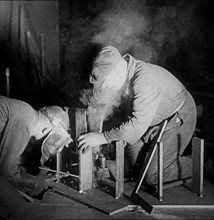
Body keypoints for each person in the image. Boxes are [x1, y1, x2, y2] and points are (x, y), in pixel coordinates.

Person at [77, 46, 197, 186]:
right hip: (151, 121)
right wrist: (93, 132)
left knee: (152, 176)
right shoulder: (119, 75)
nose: (104, 87)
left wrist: (101, 138)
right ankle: (156, 156)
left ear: (117, 70)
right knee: (134, 167)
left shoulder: (145, 81)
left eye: (105, 83)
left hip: (176, 116)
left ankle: (199, 163)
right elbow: (95, 103)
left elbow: (136, 127)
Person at [0, 95, 72, 219]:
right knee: (16, 206)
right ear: (47, 129)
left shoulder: (26, 111)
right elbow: (5, 169)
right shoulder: (27, 121)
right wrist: (33, 183)